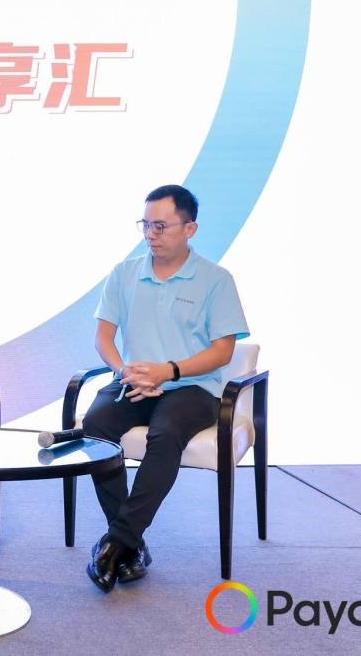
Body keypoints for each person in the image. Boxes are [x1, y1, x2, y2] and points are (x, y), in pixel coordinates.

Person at [82, 185, 248, 593]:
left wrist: (168, 371)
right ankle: (130, 543)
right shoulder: (124, 273)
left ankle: (116, 543)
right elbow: (103, 337)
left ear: (190, 228)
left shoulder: (215, 279)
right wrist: (124, 370)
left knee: (166, 431)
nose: (150, 235)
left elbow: (223, 351)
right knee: (96, 424)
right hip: (134, 381)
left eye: (160, 226)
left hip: (192, 387)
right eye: (145, 225)